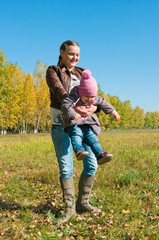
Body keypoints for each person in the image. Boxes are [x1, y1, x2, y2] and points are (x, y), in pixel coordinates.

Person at [46, 40, 107, 223]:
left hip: (83, 125)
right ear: (62, 52)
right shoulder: (53, 71)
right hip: (61, 124)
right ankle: (69, 208)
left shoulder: (83, 73)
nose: (75, 58)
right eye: (71, 53)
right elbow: (59, 91)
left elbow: (93, 96)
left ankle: (83, 203)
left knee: (91, 163)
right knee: (66, 166)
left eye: (77, 55)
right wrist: (73, 109)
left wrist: (93, 109)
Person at [61, 69, 120, 165]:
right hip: (75, 124)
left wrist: (113, 112)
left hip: (88, 125)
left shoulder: (94, 98)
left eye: (92, 97)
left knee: (93, 139)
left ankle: (100, 154)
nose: (90, 99)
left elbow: (104, 103)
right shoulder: (72, 98)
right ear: (80, 93)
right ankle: (79, 151)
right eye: (86, 97)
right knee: (76, 135)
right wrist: (73, 114)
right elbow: (65, 105)